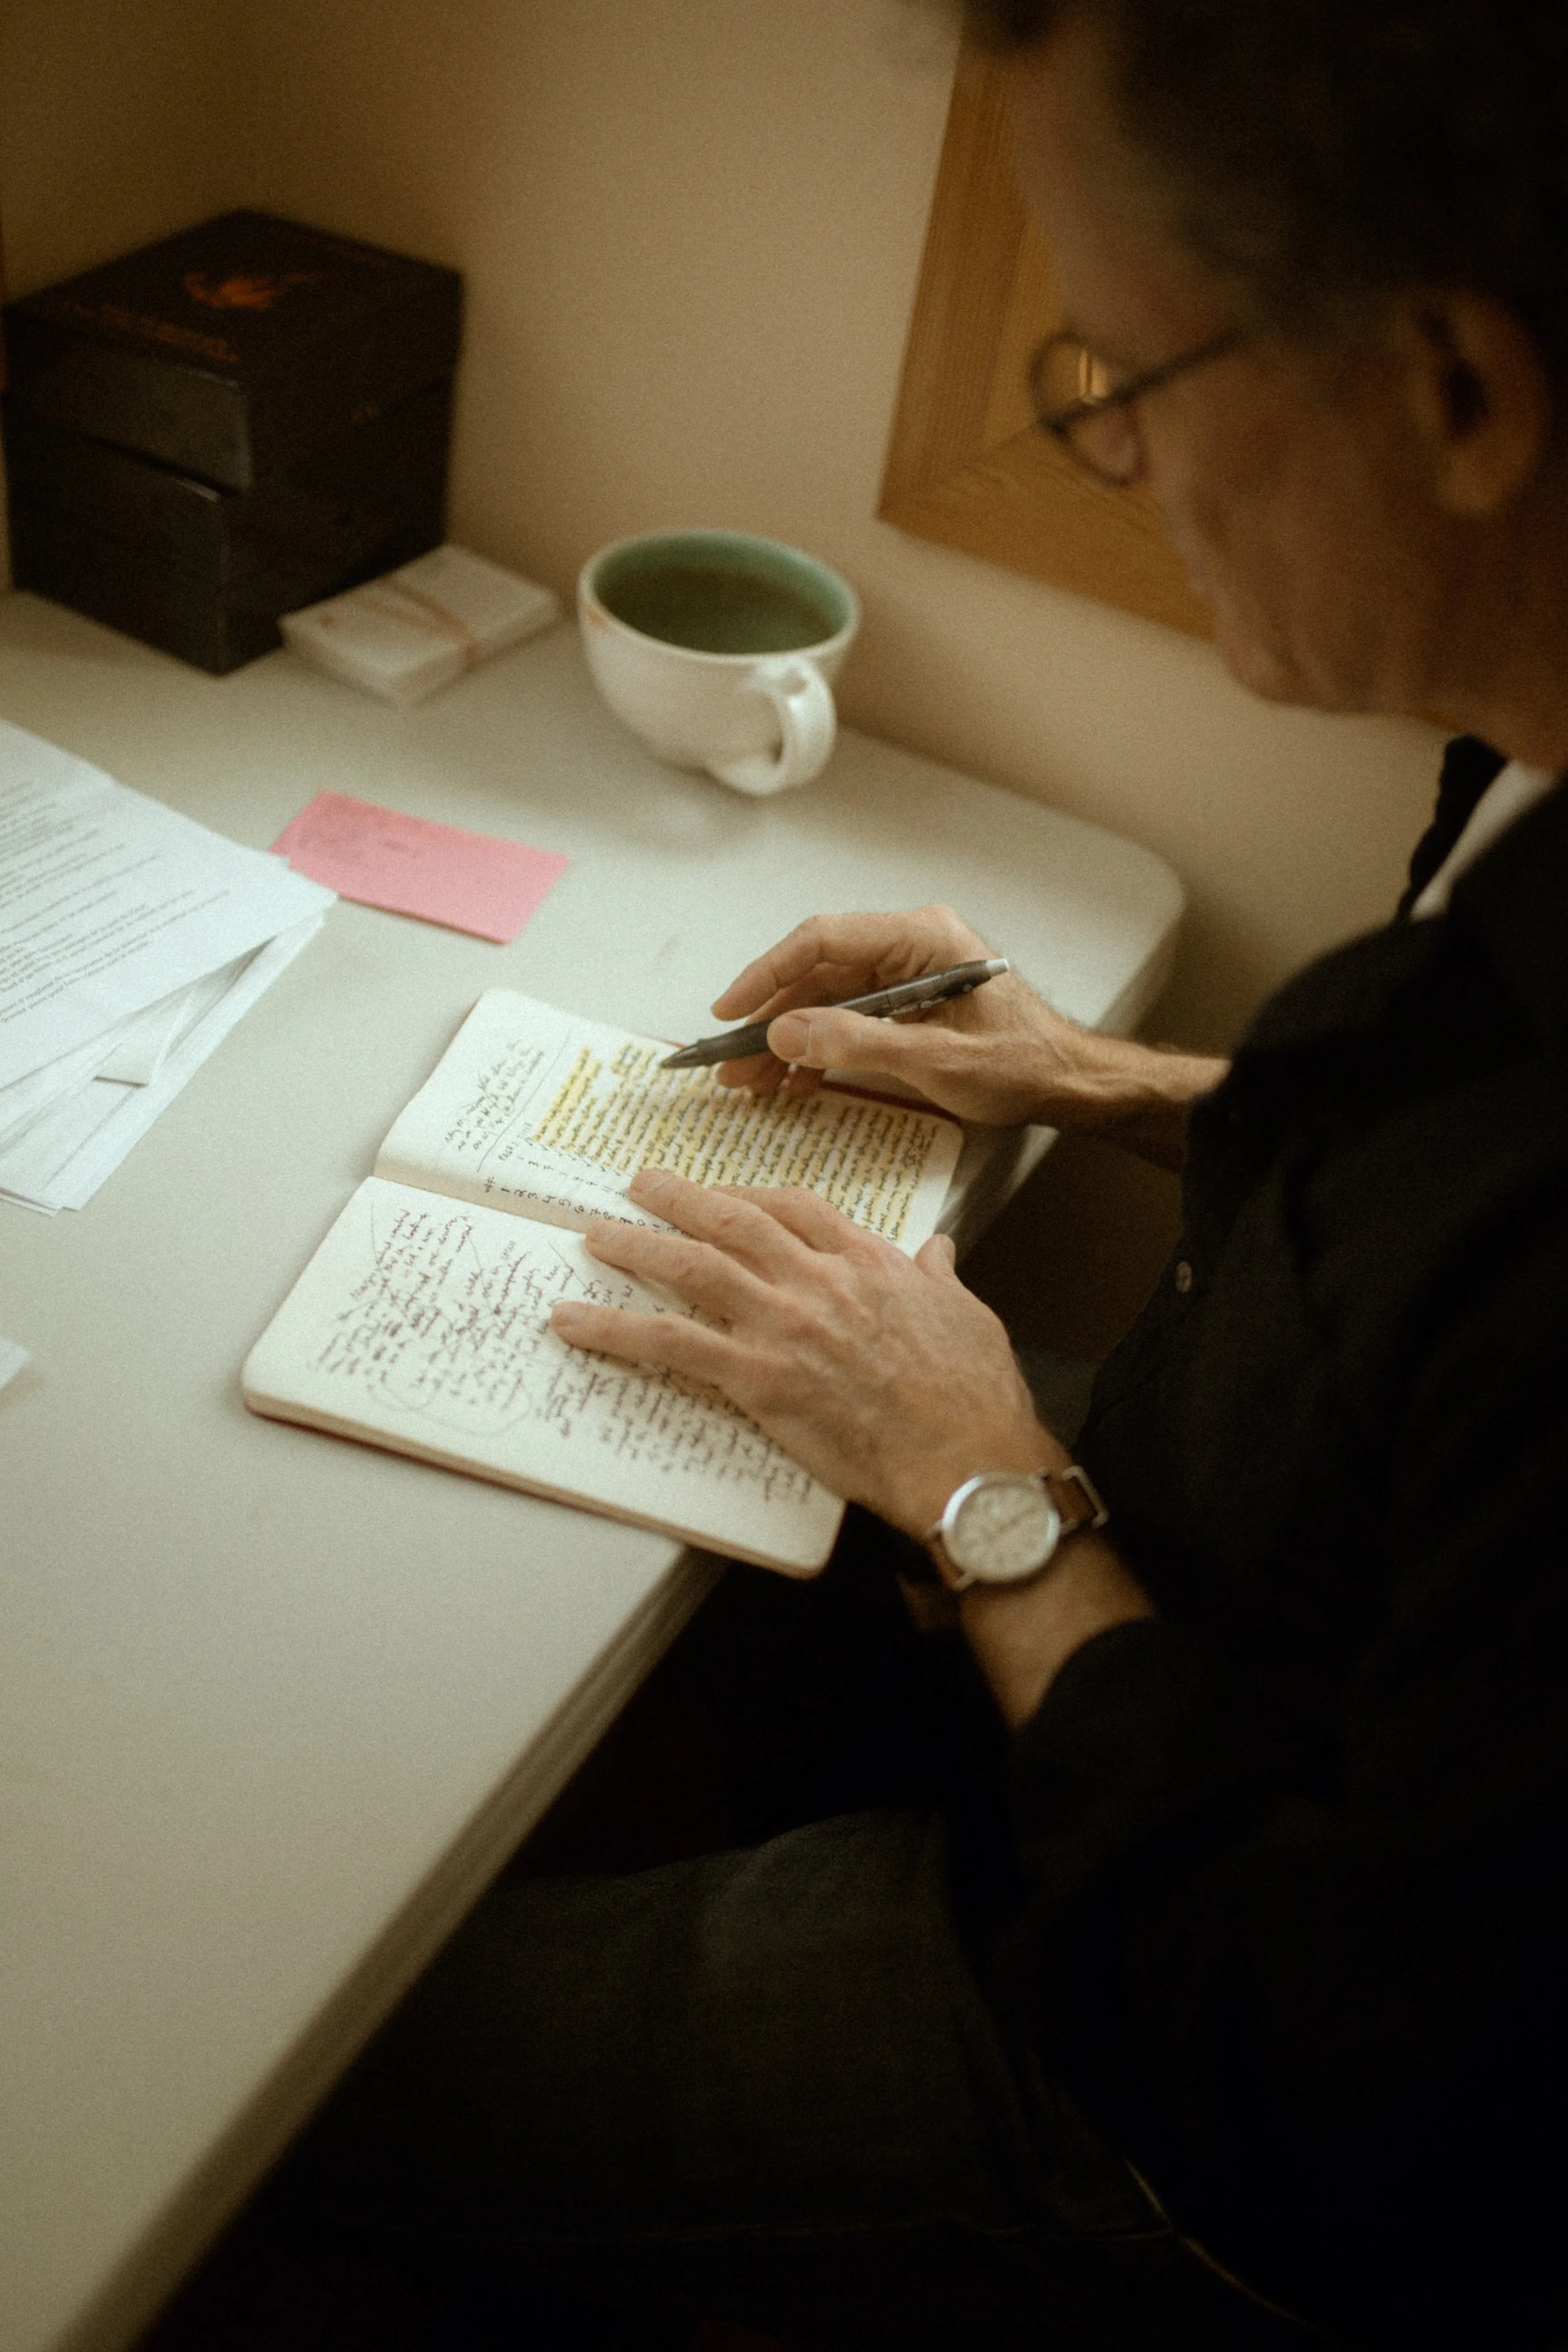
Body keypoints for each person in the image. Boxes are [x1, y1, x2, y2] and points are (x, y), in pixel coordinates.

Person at [269, 4, 1568, 2347]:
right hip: (1227, 1583)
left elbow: (1360, 2113)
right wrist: (1089, 1073)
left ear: (1457, 391)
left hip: (1180, 2063)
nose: (1117, 463)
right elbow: (1436, 1187)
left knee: (292, 2076)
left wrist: (997, 1501)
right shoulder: (1527, 760)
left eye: (1125, 375)